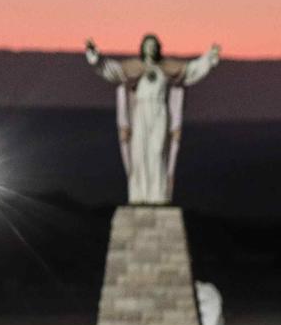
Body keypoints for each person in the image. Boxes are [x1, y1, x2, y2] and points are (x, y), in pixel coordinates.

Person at [83, 33, 222, 205]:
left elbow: (191, 70)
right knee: (139, 152)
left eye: (154, 44)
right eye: (148, 45)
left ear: (158, 48)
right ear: (142, 48)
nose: (151, 48)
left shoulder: (168, 67)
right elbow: (112, 70)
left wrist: (208, 57)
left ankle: (158, 195)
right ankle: (139, 195)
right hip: (140, 111)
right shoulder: (133, 68)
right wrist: (95, 57)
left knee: (157, 152)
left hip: (159, 111)